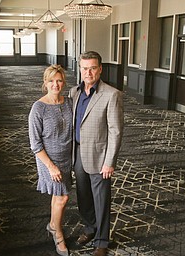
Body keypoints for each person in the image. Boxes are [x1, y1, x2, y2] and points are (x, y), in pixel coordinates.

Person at [69, 51, 124, 256]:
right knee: (83, 197)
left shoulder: (111, 94)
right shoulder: (74, 92)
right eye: (85, 68)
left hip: (100, 157)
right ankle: (90, 228)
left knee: (101, 199)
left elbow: (115, 131)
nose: (88, 72)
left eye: (92, 68)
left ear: (100, 69)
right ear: (80, 69)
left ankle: (102, 241)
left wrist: (110, 162)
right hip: (78, 154)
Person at [28, 65, 72, 256]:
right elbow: (35, 144)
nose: (56, 84)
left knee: (58, 196)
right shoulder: (38, 108)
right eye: (51, 81)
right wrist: (51, 167)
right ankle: (57, 230)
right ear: (45, 83)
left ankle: (53, 224)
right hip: (48, 160)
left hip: (66, 158)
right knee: (63, 197)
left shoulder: (69, 102)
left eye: (59, 80)